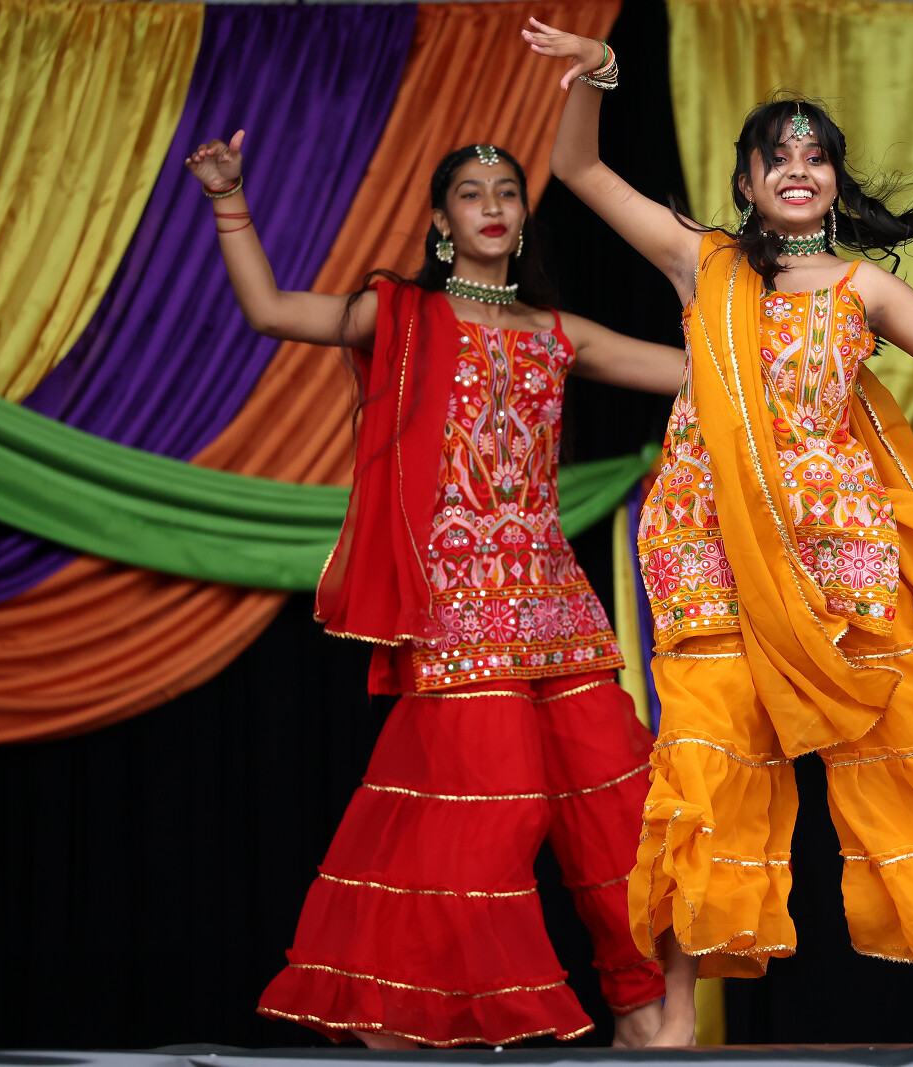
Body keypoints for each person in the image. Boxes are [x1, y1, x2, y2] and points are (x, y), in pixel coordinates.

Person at [524, 19, 913, 1047]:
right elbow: (576, 168)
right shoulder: (701, 261)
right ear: (746, 183)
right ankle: (674, 1004)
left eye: (815, 157)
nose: (797, 169)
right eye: (777, 157)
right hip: (708, 544)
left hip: (836, 544)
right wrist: (599, 75)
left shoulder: (862, 287)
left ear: (833, 183)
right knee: (703, 760)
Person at [183, 133, 685, 1048]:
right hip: (458, 613)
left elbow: (699, 373)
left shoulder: (558, 332)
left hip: (559, 610)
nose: (492, 205)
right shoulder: (403, 316)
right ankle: (401, 1015)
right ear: (443, 222)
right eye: (471, 193)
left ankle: (644, 1011)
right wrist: (228, 198)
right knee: (493, 811)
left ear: (523, 219)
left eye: (507, 192)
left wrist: (755, 298)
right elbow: (269, 310)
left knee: (620, 807)